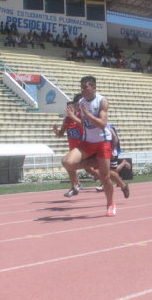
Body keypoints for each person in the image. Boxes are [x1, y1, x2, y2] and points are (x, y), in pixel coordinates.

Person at [62, 76, 117, 216]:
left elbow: (102, 124)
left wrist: (87, 114)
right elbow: (82, 123)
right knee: (67, 162)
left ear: (94, 87)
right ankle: (94, 162)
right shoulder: (80, 102)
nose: (82, 90)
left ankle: (110, 204)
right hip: (87, 142)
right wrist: (74, 117)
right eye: (81, 87)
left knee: (105, 178)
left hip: (102, 142)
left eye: (85, 87)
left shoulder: (102, 101)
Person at [53, 93, 83, 197]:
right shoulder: (66, 120)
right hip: (73, 149)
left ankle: (108, 181)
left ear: (75, 108)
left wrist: (73, 117)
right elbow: (61, 134)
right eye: (67, 109)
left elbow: (84, 125)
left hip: (83, 149)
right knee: (69, 164)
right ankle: (75, 186)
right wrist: (56, 131)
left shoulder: (79, 117)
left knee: (92, 170)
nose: (69, 111)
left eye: (71, 108)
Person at [94, 124, 130, 198]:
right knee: (110, 170)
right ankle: (105, 184)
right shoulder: (98, 127)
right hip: (105, 151)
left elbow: (116, 139)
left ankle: (123, 163)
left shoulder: (108, 127)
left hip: (112, 151)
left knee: (112, 170)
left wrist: (111, 150)